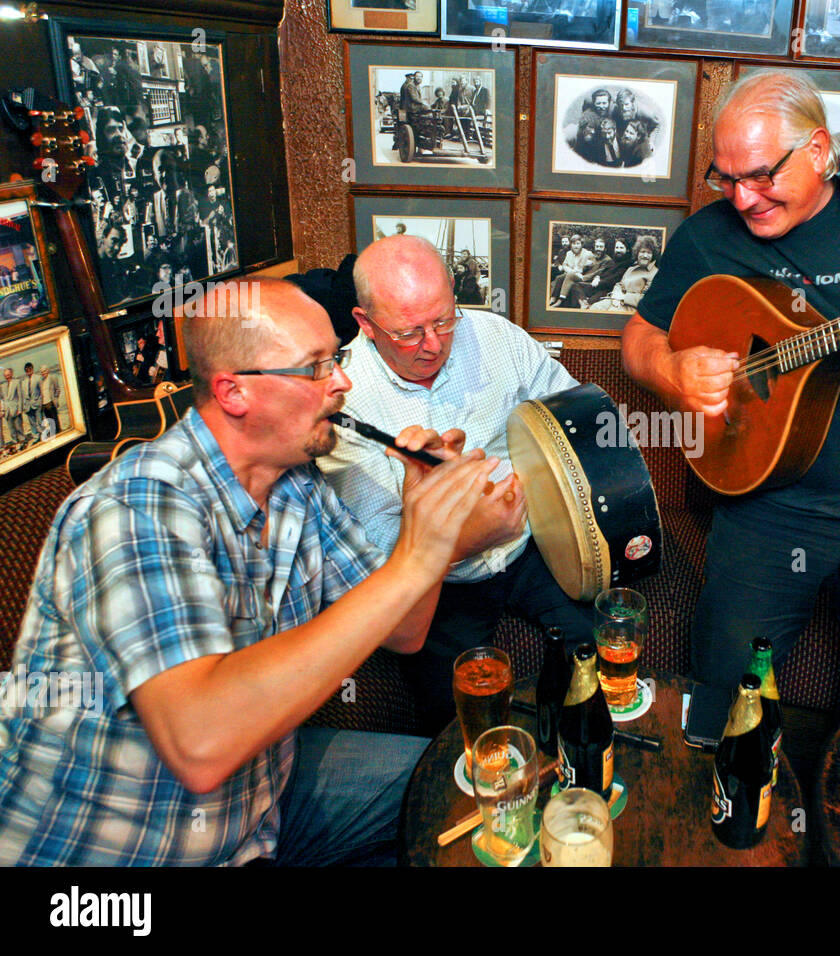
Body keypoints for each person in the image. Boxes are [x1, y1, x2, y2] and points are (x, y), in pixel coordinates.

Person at [0, 278, 497, 865]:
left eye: (334, 359)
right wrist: (420, 554)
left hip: (258, 805)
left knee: (469, 788)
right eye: (315, 368)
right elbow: (202, 746)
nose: (342, 381)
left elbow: (406, 631)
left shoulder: (296, 487)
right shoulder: (135, 506)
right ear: (234, 392)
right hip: (117, 849)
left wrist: (426, 514)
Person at [620, 69, 840, 710]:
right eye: (724, 179)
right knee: (721, 695)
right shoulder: (706, 238)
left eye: (762, 174)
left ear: (818, 151)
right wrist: (670, 372)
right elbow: (638, 338)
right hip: (766, 508)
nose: (742, 198)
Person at [317, 236, 592, 733]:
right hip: (439, 585)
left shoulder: (495, 337)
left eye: (444, 319)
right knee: (455, 725)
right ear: (365, 324)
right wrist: (456, 527)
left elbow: (572, 414)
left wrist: (541, 489)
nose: (434, 343)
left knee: (589, 659)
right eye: (409, 332)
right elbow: (380, 548)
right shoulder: (344, 402)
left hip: (532, 544)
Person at [37, 365, 60, 433]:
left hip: (51, 402)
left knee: (55, 419)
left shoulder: (52, 378)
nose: (43, 373)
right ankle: (54, 433)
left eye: (44, 371)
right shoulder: (41, 381)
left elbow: (58, 389)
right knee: (49, 420)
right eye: (41, 372)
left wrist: (55, 398)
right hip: (44, 404)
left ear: (48, 370)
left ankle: (58, 432)